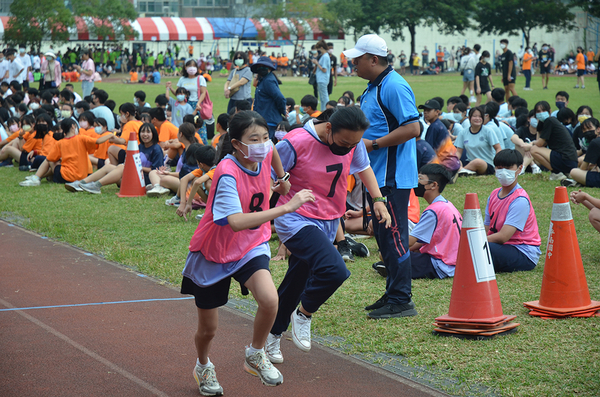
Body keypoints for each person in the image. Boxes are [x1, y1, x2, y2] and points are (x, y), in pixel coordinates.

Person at [181, 111, 313, 394]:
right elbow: (236, 222)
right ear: (236, 144)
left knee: (269, 299)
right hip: (214, 252)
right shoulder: (226, 173)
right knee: (208, 329)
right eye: (254, 139)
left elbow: (274, 151)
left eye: (265, 137)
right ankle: (203, 366)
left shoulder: (263, 153)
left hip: (251, 245)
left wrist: (283, 176)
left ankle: (255, 353)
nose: (263, 144)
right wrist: (286, 207)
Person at [264, 106, 391, 365]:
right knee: (335, 269)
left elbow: (363, 167)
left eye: (353, 144)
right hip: (295, 218)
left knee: (297, 280)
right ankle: (304, 314)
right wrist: (266, 206)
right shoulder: (296, 142)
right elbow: (267, 175)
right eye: (344, 143)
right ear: (329, 128)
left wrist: (378, 199)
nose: (349, 148)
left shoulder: (353, 141)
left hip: (329, 219)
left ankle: (272, 334)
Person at [343, 34, 421, 319]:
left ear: (373, 60)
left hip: (392, 175)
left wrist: (373, 144)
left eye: (357, 58)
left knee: (395, 235)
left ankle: (402, 299)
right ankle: (393, 292)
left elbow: (413, 128)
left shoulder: (394, 86)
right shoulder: (374, 86)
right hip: (378, 175)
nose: (353, 63)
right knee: (385, 237)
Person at [485, 149, 541, 272]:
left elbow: (503, 237)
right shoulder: (494, 194)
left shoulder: (520, 200)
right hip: (501, 247)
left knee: (482, 248)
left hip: (523, 252)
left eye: (508, 167)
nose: (503, 172)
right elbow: (486, 228)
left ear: (519, 169)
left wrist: (476, 240)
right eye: (499, 168)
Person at [408, 164, 461, 279]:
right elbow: (422, 241)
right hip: (455, 265)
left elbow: (409, 241)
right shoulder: (447, 205)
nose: (416, 182)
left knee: (390, 255)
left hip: (439, 265)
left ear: (433, 185)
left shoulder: (433, 210)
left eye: (420, 179)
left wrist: (390, 249)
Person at [529, 101, 578, 181]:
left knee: (533, 149)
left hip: (565, 158)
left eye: (543, 110)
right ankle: (562, 172)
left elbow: (539, 143)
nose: (541, 113)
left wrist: (531, 143)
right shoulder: (549, 122)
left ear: (549, 111)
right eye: (538, 111)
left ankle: (556, 173)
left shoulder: (550, 121)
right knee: (535, 148)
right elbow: (542, 141)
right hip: (571, 161)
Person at [455, 106, 502, 176]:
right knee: (456, 161)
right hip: (469, 162)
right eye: (475, 116)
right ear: (469, 118)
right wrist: (454, 161)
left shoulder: (488, 131)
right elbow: (458, 151)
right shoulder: (463, 133)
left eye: (480, 116)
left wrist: (497, 164)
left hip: (486, 164)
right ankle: (465, 171)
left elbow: (498, 148)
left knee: (477, 162)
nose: (477, 119)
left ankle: (461, 172)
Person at [251, 57, 286, 139]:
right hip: (264, 120)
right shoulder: (263, 80)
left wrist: (283, 111)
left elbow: (280, 98)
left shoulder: (268, 81)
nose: (261, 68)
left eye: (264, 66)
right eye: (259, 66)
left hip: (269, 121)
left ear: (269, 68)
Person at [562, 118, 600, 188]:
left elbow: (583, 168)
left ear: (598, 129)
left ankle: (579, 182)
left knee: (574, 172)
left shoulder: (595, 143)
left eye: (589, 128)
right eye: (584, 130)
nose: (587, 131)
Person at [312, 40, 331, 111]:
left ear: (321, 48)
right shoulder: (324, 56)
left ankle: (327, 110)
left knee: (325, 96)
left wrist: (317, 63)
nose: (318, 50)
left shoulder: (325, 57)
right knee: (322, 97)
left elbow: (324, 69)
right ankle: (323, 110)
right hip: (320, 79)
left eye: (318, 48)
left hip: (323, 79)